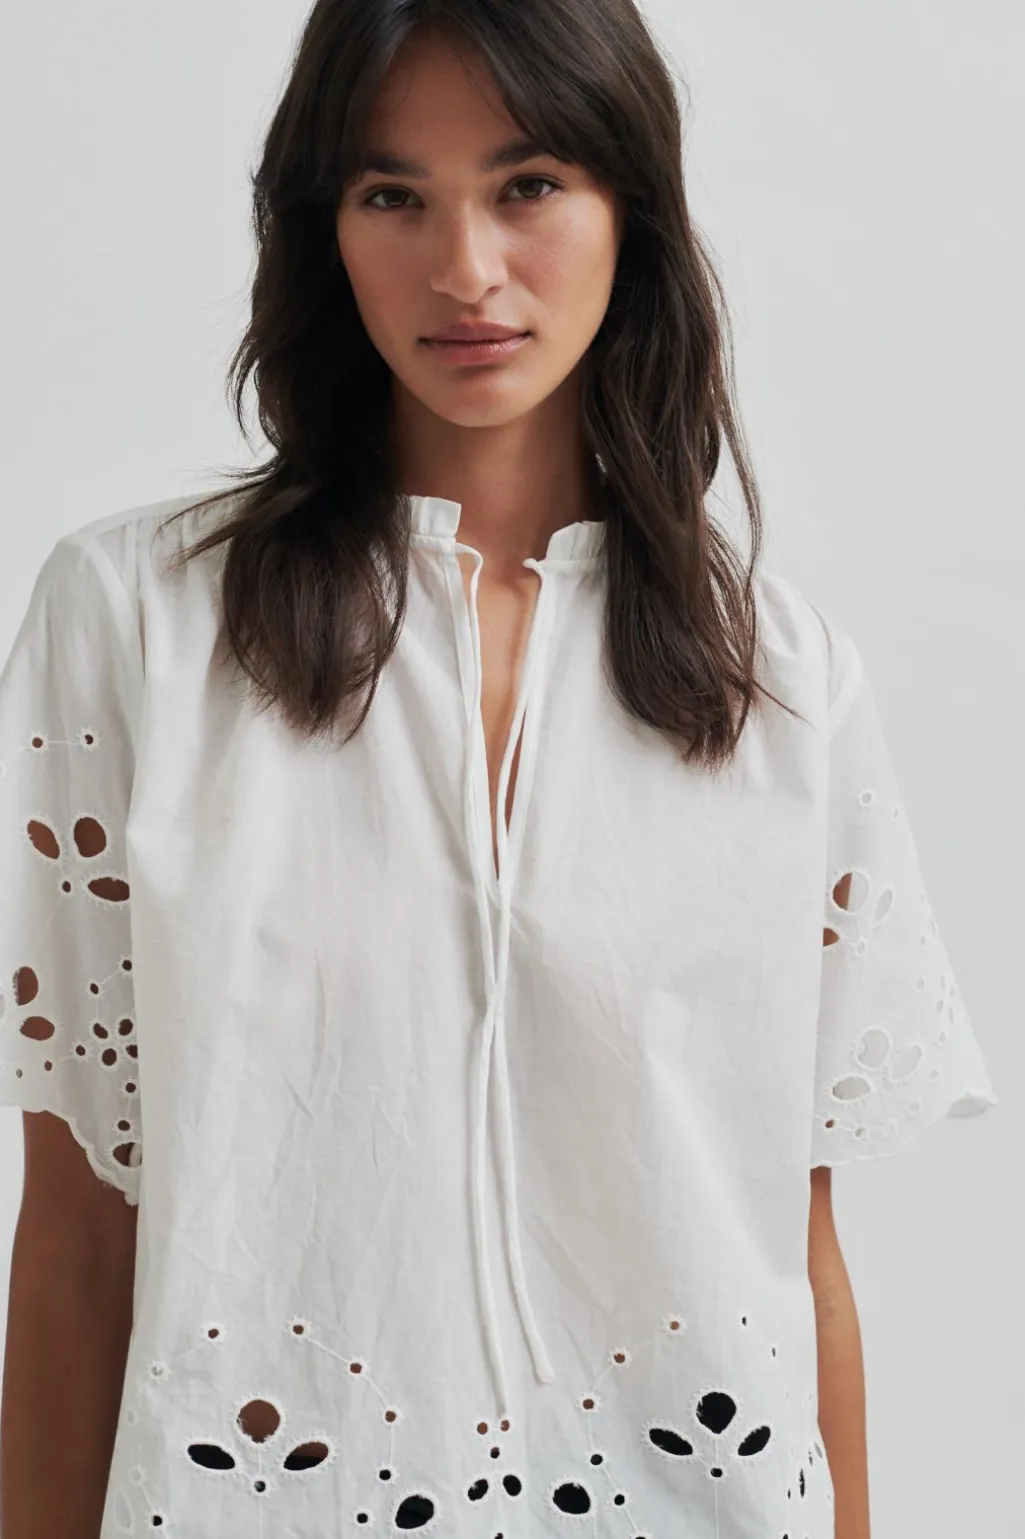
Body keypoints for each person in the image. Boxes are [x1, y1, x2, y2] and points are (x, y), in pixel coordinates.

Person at [0, 2, 998, 1536]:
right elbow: (77, 1241)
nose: (464, 269)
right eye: (393, 194)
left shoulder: (783, 685)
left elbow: (797, 1259)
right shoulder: (133, 629)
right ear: (325, 228)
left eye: (527, 185)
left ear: (630, 207)